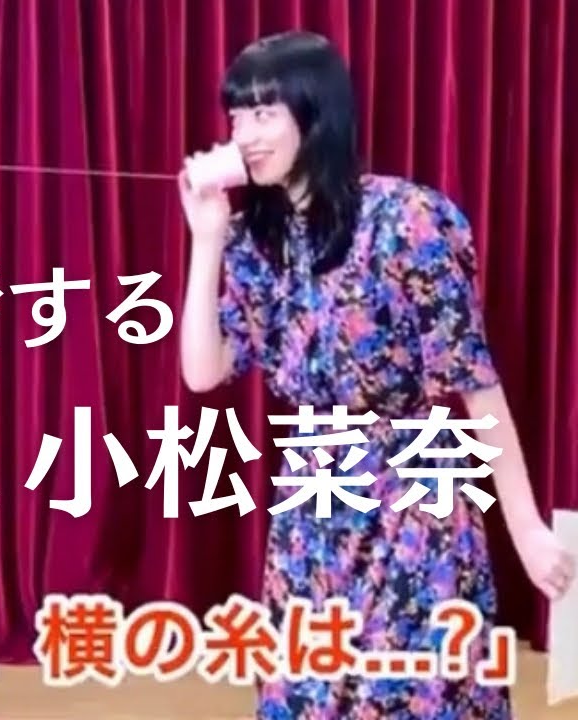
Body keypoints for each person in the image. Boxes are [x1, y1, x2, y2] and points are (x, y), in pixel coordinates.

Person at [177, 31, 575, 718]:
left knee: (417, 691)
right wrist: (207, 239)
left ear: (316, 113)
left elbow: (475, 383)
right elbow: (203, 371)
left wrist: (527, 529)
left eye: (265, 113)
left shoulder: (409, 220)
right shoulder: (252, 243)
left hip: (413, 498)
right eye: (237, 116)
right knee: (310, 695)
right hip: (314, 507)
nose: (244, 135)